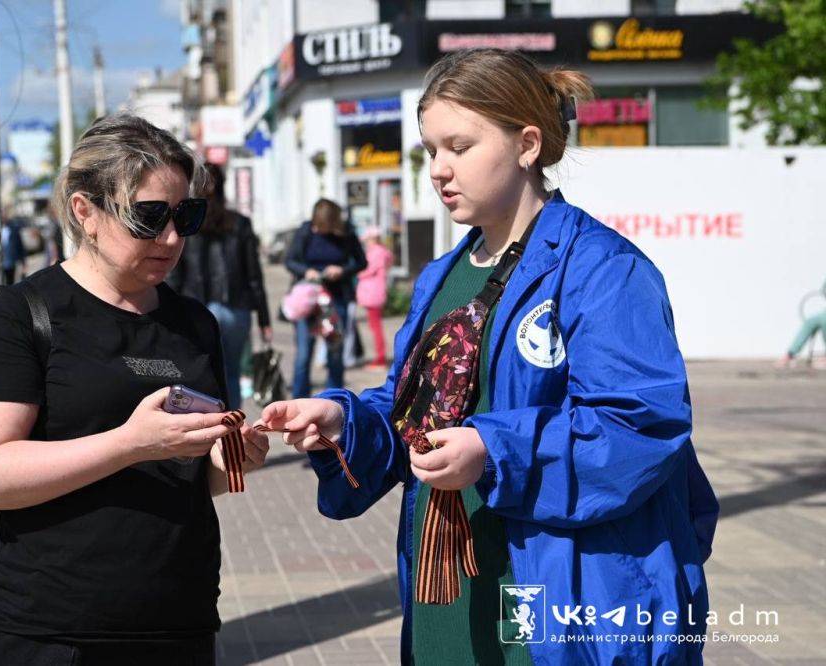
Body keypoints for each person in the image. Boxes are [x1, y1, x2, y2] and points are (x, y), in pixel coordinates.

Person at [259, 49, 717, 664]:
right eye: (430, 150)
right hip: (446, 604)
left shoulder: (604, 270)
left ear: (528, 145)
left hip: (559, 602)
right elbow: (411, 417)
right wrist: (343, 424)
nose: (439, 170)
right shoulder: (441, 278)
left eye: (460, 147)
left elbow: (639, 426)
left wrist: (491, 448)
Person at [0, 114, 269, 666]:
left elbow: (198, 479)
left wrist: (234, 456)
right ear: (85, 211)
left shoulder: (194, 323)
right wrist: (130, 442)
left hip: (177, 624)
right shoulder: (22, 315)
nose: (171, 238)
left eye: (185, 216)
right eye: (148, 218)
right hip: (48, 632)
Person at [167, 162, 272, 409]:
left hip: (196, 307)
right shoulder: (239, 223)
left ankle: (208, 432)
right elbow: (254, 276)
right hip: (235, 307)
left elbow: (176, 273)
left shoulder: (188, 222)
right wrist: (264, 320)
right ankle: (231, 433)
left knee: (200, 374)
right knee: (232, 373)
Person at [284, 198, 366, 398]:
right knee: (304, 354)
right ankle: (299, 400)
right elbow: (289, 261)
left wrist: (342, 270)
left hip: (336, 299)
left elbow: (361, 262)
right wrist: (307, 271)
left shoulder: (346, 233)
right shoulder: (305, 231)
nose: (319, 230)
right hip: (308, 299)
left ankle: (334, 399)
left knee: (335, 353)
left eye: (323, 227)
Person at [356, 226, 394, 368]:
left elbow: (369, 270)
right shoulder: (384, 252)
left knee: (375, 327)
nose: (366, 243)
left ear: (372, 239)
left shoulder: (375, 253)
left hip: (372, 294)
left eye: (367, 240)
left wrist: (356, 273)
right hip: (375, 293)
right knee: (375, 326)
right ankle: (380, 357)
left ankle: (380, 359)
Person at [0, 211, 26, 285]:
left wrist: (24, 262)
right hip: (1, 262)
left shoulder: (13, 229)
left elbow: (20, 245)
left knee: (11, 282)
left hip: (11, 262)